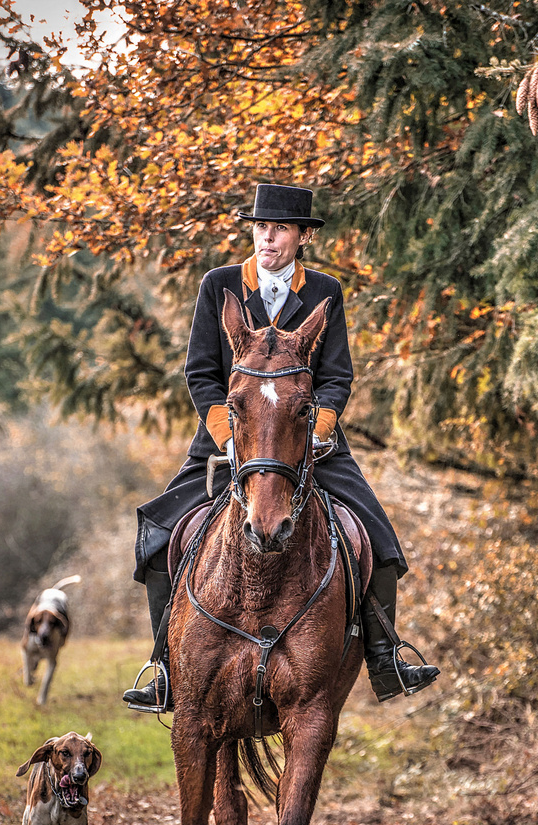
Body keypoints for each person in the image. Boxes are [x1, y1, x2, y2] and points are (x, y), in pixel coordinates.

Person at [123, 183, 439, 710]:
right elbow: (201, 372)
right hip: (230, 439)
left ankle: (386, 660)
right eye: (261, 228)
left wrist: (320, 430)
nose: (268, 238)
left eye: (281, 229)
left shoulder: (325, 292)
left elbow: (336, 376)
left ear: (302, 237)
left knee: (380, 541)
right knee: (160, 539)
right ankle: (164, 668)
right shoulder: (218, 284)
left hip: (307, 442)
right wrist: (226, 437)